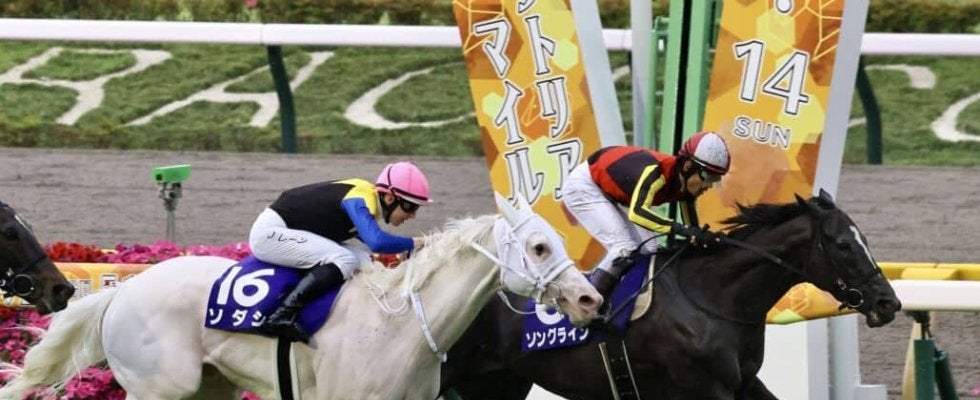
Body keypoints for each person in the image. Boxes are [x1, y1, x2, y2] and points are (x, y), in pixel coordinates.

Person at [248, 161, 432, 342]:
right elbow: (376, 242)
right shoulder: (360, 198)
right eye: (410, 206)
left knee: (366, 262)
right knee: (345, 259)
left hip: (291, 230)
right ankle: (282, 315)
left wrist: (400, 253)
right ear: (390, 198)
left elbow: (369, 242)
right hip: (270, 234)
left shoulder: (365, 198)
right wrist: (419, 242)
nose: (413, 215)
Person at [562, 132, 731, 299]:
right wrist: (682, 230)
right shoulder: (657, 172)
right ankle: (584, 303)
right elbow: (637, 213)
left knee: (651, 250)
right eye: (708, 176)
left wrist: (701, 237)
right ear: (687, 166)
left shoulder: (686, 185)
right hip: (585, 185)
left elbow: (691, 229)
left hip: (615, 194)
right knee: (623, 248)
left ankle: (625, 300)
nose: (709, 185)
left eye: (716, 178)